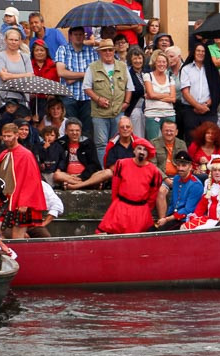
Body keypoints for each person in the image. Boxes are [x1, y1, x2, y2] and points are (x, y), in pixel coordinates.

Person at [0, 123, 45, 238]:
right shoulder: (5, 154)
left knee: (17, 236)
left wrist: (25, 202)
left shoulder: (26, 155)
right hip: (6, 200)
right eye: (4, 136)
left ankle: (18, 254)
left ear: (16, 135)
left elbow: (32, 180)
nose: (6, 139)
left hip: (20, 201)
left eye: (9, 136)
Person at [95, 137, 162, 235]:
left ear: (148, 154)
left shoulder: (154, 171)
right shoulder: (121, 164)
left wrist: (144, 209)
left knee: (138, 241)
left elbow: (153, 194)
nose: (142, 152)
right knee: (109, 235)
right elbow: (115, 186)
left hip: (140, 210)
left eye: (145, 150)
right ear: (134, 150)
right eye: (139, 148)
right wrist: (116, 206)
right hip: (121, 207)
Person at [83, 39, 132, 167]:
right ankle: (104, 171)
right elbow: (87, 88)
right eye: (105, 50)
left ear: (114, 51)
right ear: (100, 52)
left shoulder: (122, 66)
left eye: (110, 50)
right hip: (99, 113)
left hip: (118, 111)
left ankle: (117, 170)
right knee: (101, 144)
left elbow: (129, 87)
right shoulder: (92, 67)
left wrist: (126, 102)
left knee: (117, 142)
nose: (108, 53)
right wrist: (98, 99)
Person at [178, 42, 220, 143]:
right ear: (193, 52)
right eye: (198, 51)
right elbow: (185, 92)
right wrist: (198, 106)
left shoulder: (212, 69)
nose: (201, 53)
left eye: (203, 51)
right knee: (192, 141)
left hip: (208, 110)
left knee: (209, 141)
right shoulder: (186, 69)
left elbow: (217, 90)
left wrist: (206, 105)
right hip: (191, 110)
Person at [154, 150, 202, 231]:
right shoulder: (176, 178)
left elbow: (188, 210)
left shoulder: (195, 185)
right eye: (178, 165)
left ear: (190, 167)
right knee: (151, 229)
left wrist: (167, 219)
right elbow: (173, 203)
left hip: (184, 220)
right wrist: (166, 217)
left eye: (184, 165)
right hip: (173, 217)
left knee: (157, 233)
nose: (180, 168)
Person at [52, 119, 100, 188]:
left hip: (86, 175)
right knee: (57, 175)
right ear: (66, 131)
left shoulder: (88, 143)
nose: (74, 133)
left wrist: (82, 176)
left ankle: (75, 185)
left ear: (81, 131)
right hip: (68, 176)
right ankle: (86, 184)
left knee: (108, 172)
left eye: (77, 130)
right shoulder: (60, 143)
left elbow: (93, 164)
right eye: (71, 130)